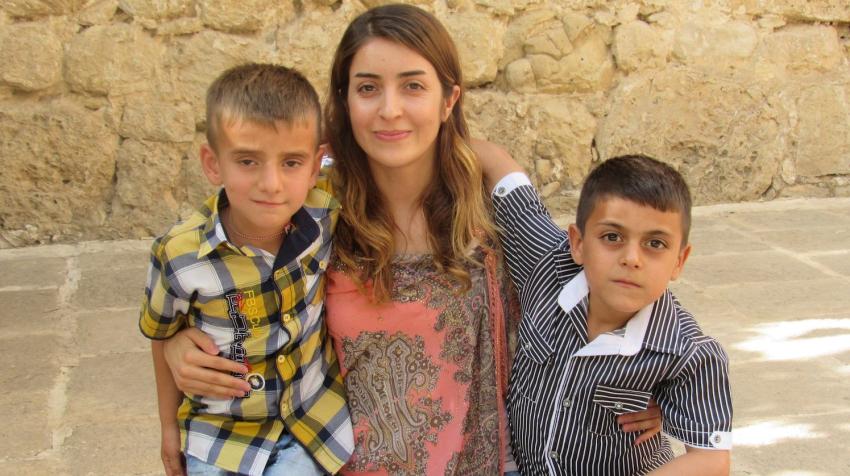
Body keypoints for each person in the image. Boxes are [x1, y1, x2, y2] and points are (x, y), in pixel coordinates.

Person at [159, 5, 665, 475]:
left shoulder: (488, 208)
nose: (390, 110)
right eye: (368, 88)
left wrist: (665, 382)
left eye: (413, 87)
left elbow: (596, 276)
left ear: (449, 99)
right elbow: (197, 272)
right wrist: (175, 346)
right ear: (344, 100)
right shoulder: (308, 207)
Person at [139, 63, 353, 476]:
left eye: (291, 163)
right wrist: (168, 429)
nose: (271, 184)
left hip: (314, 423)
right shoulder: (179, 255)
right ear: (213, 163)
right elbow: (160, 337)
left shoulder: (323, 208)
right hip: (222, 436)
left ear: (314, 165)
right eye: (248, 161)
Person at [480, 152, 733, 475]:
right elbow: (501, 171)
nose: (631, 258)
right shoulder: (548, 266)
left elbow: (710, 461)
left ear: (679, 261)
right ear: (578, 243)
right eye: (612, 237)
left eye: (655, 244)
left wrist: (666, 411)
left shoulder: (687, 351)